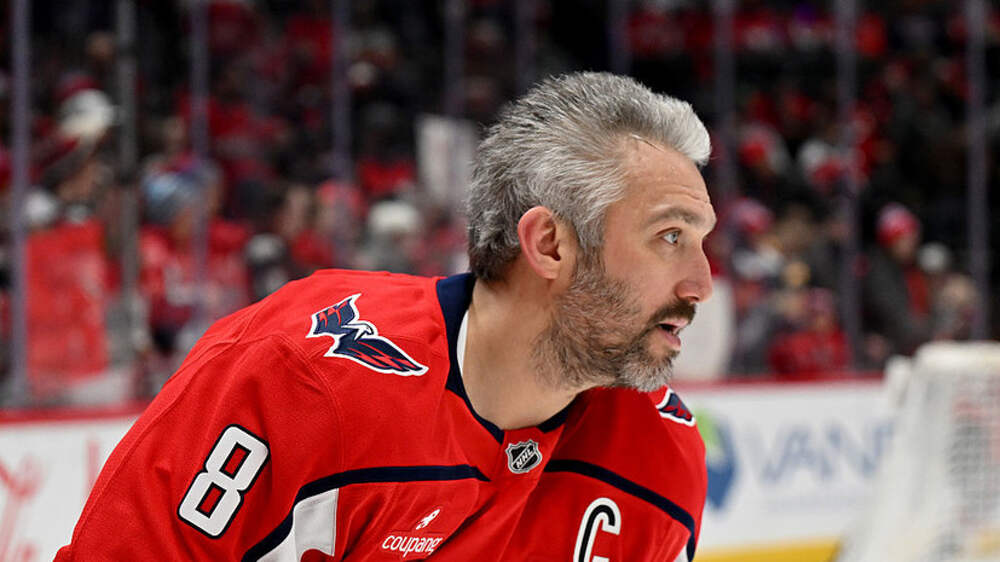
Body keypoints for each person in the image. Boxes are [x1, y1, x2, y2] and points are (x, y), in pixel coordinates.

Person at [56, 72, 715, 562]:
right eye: (670, 237)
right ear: (549, 245)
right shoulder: (299, 376)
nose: (702, 283)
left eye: (702, 240)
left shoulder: (659, 458)